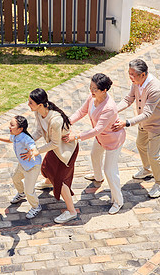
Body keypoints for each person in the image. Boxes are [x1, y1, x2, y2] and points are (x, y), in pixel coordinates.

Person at [64, 73, 126, 214]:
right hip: (100, 138)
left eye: (95, 89)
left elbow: (97, 129)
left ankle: (118, 201)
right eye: (90, 87)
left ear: (104, 90)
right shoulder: (92, 98)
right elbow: (82, 111)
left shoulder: (109, 107)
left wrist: (76, 136)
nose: (91, 90)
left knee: (110, 171)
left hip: (112, 141)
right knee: (94, 156)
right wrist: (68, 121)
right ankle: (98, 178)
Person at [112, 58, 160, 198]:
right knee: (140, 144)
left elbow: (147, 113)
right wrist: (113, 110)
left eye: (133, 74)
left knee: (153, 155)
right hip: (144, 124)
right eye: (129, 73)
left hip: (156, 125)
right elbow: (128, 99)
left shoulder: (155, 88)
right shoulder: (137, 82)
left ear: (143, 74)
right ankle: (147, 170)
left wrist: (126, 122)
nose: (130, 77)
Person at [23, 88, 79, 224]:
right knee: (46, 167)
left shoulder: (55, 120)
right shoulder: (39, 113)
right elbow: (38, 132)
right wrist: (28, 141)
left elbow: (54, 143)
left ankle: (72, 212)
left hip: (66, 150)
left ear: (40, 105)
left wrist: (37, 151)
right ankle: (48, 183)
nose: (28, 104)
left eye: (31, 103)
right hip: (55, 148)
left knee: (60, 180)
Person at [0, 116, 43, 219]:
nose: (9, 127)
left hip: (32, 167)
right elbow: (9, 140)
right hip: (22, 165)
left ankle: (36, 207)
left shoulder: (26, 138)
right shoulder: (16, 135)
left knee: (29, 191)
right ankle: (21, 194)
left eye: (12, 125)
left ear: (20, 129)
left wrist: (32, 153)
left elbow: (32, 146)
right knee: (15, 178)